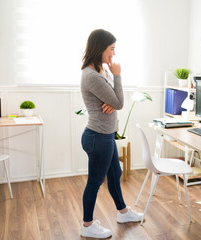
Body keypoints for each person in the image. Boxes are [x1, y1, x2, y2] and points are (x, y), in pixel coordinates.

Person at [80, 29, 143, 239]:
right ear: (100, 48)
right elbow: (119, 102)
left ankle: (123, 213)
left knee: (115, 175)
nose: (113, 54)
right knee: (95, 183)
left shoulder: (100, 72)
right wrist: (117, 75)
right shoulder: (92, 75)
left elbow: (114, 101)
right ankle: (87, 225)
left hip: (105, 136)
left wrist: (113, 102)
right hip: (98, 137)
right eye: (112, 49)